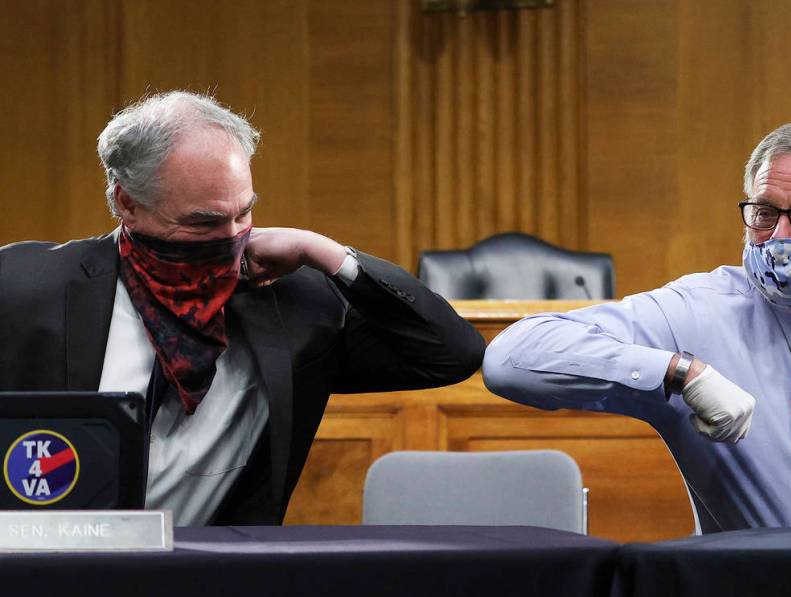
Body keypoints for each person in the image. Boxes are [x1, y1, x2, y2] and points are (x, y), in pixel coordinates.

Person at [0, 91, 485, 526]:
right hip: (43, 581)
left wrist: (327, 253)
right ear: (128, 204)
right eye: (203, 223)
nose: (232, 237)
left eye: (244, 212)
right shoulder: (23, 286)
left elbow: (450, 354)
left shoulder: (297, 304)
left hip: (214, 589)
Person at [484, 122, 791, 531]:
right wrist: (680, 373)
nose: (780, 237)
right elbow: (511, 358)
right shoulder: (698, 312)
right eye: (764, 214)